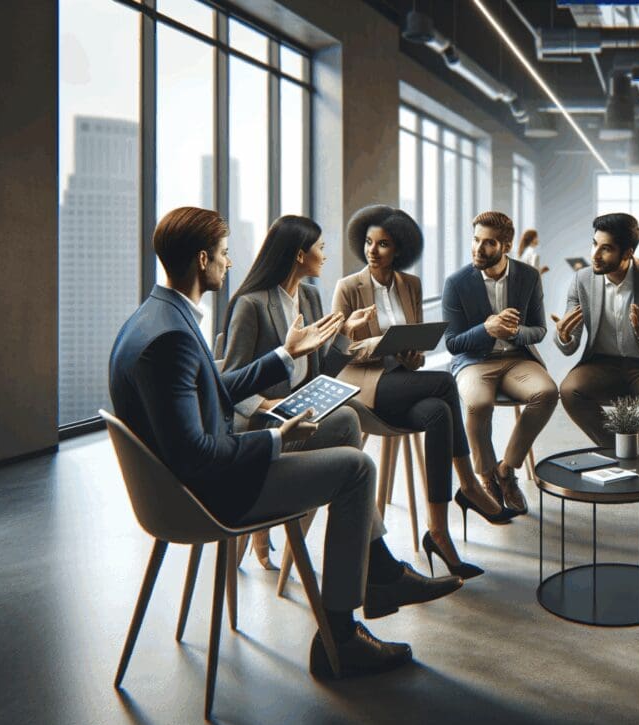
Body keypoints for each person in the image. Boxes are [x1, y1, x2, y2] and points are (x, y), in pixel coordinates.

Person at [110, 207, 462, 680]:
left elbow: (215, 389)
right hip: (210, 493)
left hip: (191, 480)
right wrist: (276, 437)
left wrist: (286, 353)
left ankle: (379, 574)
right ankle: (343, 633)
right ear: (202, 260)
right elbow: (198, 455)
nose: (230, 262)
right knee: (357, 469)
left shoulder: (158, 316)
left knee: (344, 424)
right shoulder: (172, 338)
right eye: (223, 253)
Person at [333, 205, 510, 579]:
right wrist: (380, 345)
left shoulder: (410, 285)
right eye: (368, 242)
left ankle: (438, 531)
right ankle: (469, 485)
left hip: (402, 382)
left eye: (383, 244)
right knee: (444, 383)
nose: (373, 251)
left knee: (439, 412)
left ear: (399, 249)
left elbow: (415, 350)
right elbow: (339, 350)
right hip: (364, 387)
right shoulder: (348, 287)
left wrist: (412, 355)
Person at [221, 215, 371, 571]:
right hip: (263, 427)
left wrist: (344, 334)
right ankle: (360, 553)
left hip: (301, 414)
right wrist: (269, 404)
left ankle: (322, 542)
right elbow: (229, 383)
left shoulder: (310, 296)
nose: (325, 255)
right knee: (349, 425)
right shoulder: (251, 305)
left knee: (351, 416)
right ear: (300, 255)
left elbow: (321, 374)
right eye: (320, 248)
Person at [441, 211, 559, 516]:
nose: (478, 249)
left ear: (506, 246)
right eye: (475, 240)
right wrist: (487, 329)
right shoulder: (456, 283)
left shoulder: (528, 276)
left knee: (547, 393)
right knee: (478, 404)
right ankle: (486, 476)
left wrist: (515, 332)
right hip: (474, 362)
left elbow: (539, 329)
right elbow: (452, 343)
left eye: (488, 243)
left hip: (517, 358)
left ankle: (506, 469)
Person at [551, 213, 639, 447]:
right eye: (594, 244)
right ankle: (618, 447)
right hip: (601, 365)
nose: (595, 255)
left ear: (628, 253)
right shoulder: (582, 281)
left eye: (606, 248)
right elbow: (570, 345)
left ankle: (624, 432)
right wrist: (564, 335)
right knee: (569, 391)